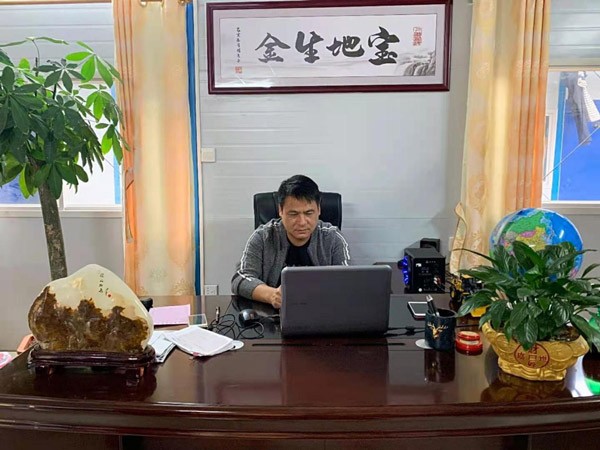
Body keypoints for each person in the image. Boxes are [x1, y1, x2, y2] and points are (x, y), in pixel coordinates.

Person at [231, 175, 351, 309]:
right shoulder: (263, 237)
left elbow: (347, 280)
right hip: (273, 315)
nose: (302, 222)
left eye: (309, 213)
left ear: (319, 210)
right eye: (293, 214)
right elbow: (241, 278)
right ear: (280, 211)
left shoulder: (333, 237)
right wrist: (272, 295)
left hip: (322, 311)